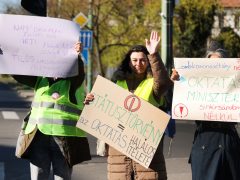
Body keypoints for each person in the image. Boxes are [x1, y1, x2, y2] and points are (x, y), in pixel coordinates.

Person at [85, 31, 173, 180]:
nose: (138, 64)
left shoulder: (153, 84)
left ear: (148, 61)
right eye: (134, 60)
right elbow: (102, 111)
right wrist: (91, 101)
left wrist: (154, 54)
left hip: (147, 156)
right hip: (119, 156)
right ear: (128, 62)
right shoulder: (116, 83)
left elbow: (164, 82)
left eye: (142, 60)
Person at [14, 42, 91, 180]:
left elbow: (79, 72)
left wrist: (77, 56)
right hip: (38, 136)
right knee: (38, 177)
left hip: (63, 139)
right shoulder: (40, 78)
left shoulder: (73, 81)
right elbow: (18, 72)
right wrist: (6, 56)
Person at [171, 40, 240, 180]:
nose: (215, 67)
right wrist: (176, 84)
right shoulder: (194, 83)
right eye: (211, 64)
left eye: (219, 64)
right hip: (204, 142)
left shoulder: (236, 84)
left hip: (229, 143)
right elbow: (174, 101)